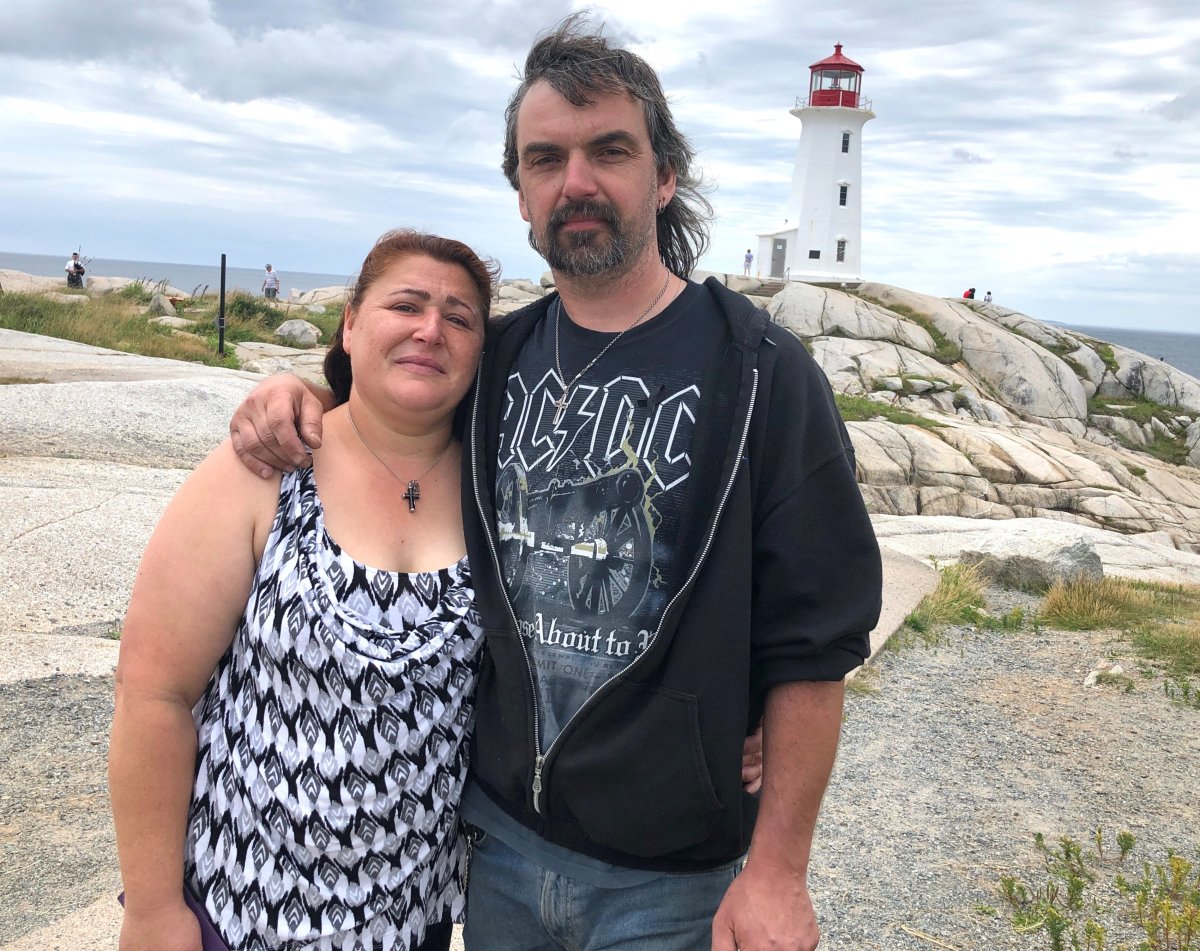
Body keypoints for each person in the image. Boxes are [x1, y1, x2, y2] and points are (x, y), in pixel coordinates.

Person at [229, 15, 881, 951]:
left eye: (608, 150)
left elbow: (815, 642)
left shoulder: (763, 376)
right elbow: (374, 407)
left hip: (672, 884)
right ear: (523, 196)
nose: (576, 182)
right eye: (546, 159)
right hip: (495, 847)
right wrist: (293, 389)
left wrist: (778, 871)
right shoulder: (491, 361)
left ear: (663, 176)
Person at [109, 230, 497, 951]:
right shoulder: (270, 465)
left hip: (409, 924)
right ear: (349, 324)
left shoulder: (497, 487)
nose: (429, 329)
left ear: (481, 349)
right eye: (405, 303)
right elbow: (150, 691)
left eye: (459, 317)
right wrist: (154, 908)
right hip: (237, 912)